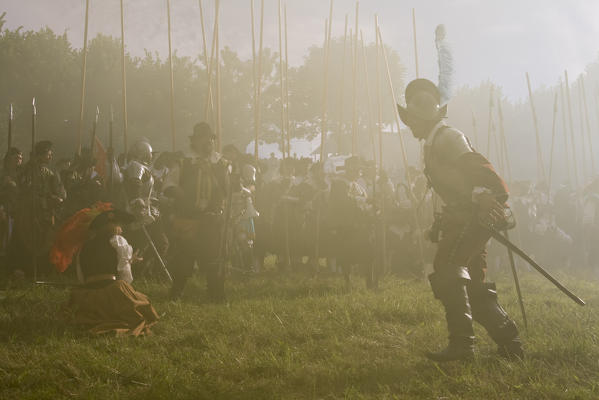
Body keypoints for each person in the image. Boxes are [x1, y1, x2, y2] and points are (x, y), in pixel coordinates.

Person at [397, 78, 523, 361]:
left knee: (448, 268)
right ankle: (511, 344)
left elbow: (486, 177)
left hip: (473, 219)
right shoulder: (433, 141)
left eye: (414, 119)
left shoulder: (448, 137)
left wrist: (483, 197)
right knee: (472, 284)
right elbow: (458, 188)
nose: (410, 125)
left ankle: (462, 348)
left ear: (426, 117)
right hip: (465, 218)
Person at [62, 208, 159, 336]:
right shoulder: (118, 241)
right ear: (110, 225)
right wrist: (129, 263)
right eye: (119, 225)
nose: (122, 229)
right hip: (112, 293)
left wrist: (128, 261)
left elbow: (81, 277)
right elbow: (125, 276)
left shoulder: (84, 247)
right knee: (142, 303)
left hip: (87, 296)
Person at [163, 122, 230, 302]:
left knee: (213, 258)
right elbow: (169, 186)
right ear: (195, 141)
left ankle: (215, 295)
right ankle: (176, 293)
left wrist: (215, 177)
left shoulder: (221, 163)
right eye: (203, 138)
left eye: (209, 139)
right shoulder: (184, 162)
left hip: (212, 219)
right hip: (188, 218)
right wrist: (181, 195)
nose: (207, 142)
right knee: (184, 256)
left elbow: (229, 190)